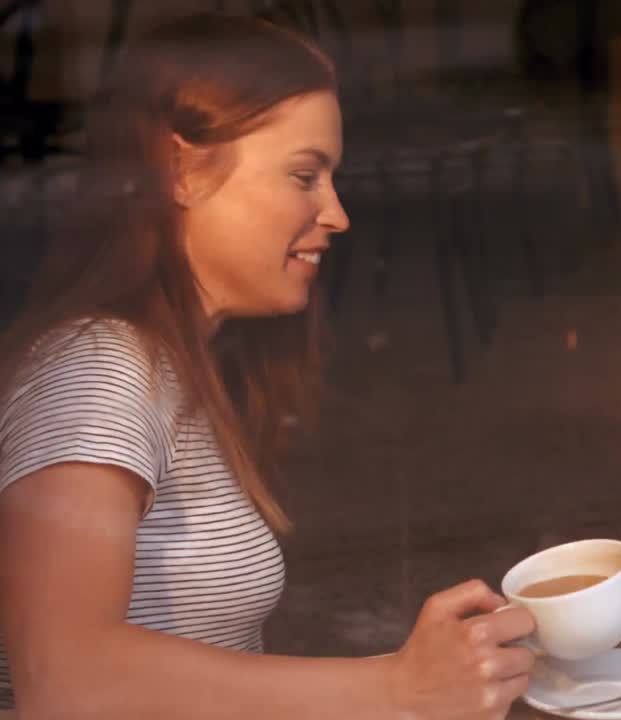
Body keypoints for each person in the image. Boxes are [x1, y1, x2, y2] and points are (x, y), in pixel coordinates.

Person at [0, 15, 534, 718]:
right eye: (304, 175)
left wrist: (425, 677)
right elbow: (63, 678)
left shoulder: (182, 366)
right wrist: (396, 688)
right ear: (182, 171)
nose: (336, 213)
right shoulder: (98, 367)